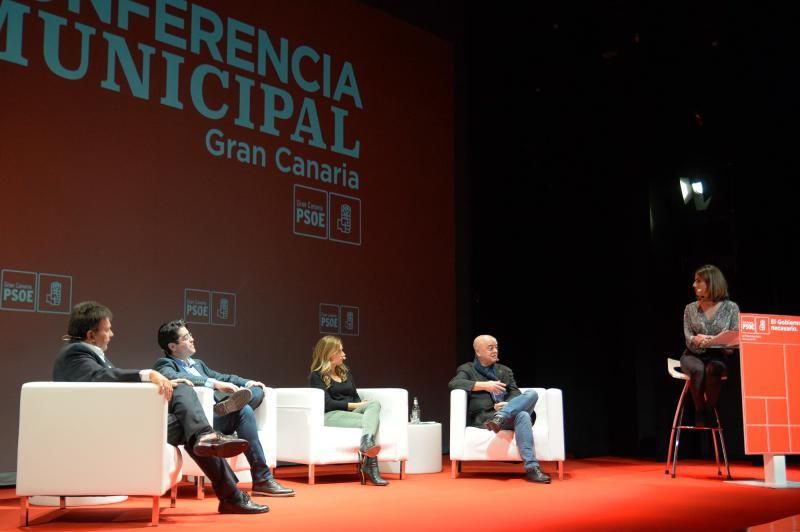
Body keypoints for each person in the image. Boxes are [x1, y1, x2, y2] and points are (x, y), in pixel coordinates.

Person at [52, 301, 269, 514]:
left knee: (183, 392)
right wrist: (148, 374)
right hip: (111, 428)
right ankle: (229, 490)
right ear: (91, 334)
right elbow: (101, 377)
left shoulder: (83, 353)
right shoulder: (76, 354)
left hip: (120, 421)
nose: (112, 334)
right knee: (191, 426)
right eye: (107, 330)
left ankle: (215, 459)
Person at [153, 320, 294, 497]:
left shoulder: (198, 364)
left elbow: (223, 376)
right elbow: (176, 378)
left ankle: (229, 408)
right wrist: (214, 384)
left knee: (256, 392)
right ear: (172, 346)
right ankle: (262, 479)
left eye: (190, 335)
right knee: (245, 411)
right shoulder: (164, 364)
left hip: (217, 415)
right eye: (186, 337)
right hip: (200, 421)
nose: (192, 339)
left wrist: (247, 382)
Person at [448, 334, 551, 484]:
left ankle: (502, 416)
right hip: (487, 419)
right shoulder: (467, 369)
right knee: (522, 415)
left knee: (531, 396)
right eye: (490, 348)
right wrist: (485, 385)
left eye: (496, 347)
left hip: (504, 417)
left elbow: (515, 393)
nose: (495, 351)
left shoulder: (505, 371)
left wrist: (507, 405)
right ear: (478, 352)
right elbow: (454, 383)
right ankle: (532, 468)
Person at [309, 335, 388, 486]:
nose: (344, 354)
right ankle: (370, 467)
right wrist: (353, 406)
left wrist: (360, 404)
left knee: (374, 404)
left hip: (350, 413)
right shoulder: (317, 376)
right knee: (372, 421)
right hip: (330, 415)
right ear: (329, 354)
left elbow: (355, 397)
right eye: (340, 351)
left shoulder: (345, 372)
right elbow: (328, 404)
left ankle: (367, 445)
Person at [680, 264, 740, 428]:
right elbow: (688, 335)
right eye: (694, 281)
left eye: (698, 281)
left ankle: (709, 409)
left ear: (711, 283)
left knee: (713, 369)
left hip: (718, 355)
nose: (694, 285)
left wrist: (713, 340)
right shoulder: (690, 308)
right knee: (698, 369)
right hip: (693, 354)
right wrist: (697, 341)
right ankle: (700, 412)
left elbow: (735, 336)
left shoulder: (731, 308)